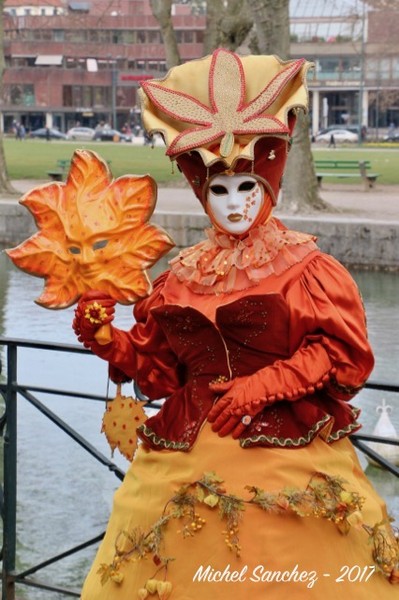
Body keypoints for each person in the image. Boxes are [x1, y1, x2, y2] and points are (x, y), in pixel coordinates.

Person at [73, 50, 398, 599]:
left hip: (286, 452)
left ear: (267, 188)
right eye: (219, 191)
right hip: (181, 454)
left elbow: (343, 354)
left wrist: (264, 385)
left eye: (247, 188)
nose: (235, 205)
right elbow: (159, 372)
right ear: (202, 194)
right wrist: (106, 337)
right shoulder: (179, 276)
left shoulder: (307, 268)